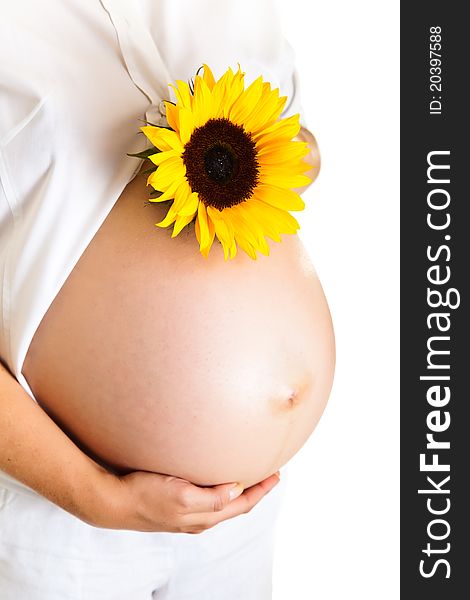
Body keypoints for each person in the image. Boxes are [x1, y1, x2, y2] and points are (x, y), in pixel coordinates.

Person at [0, 1, 326, 598]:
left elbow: (296, 152)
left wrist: (251, 155)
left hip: (240, 523)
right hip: (61, 527)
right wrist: (95, 497)